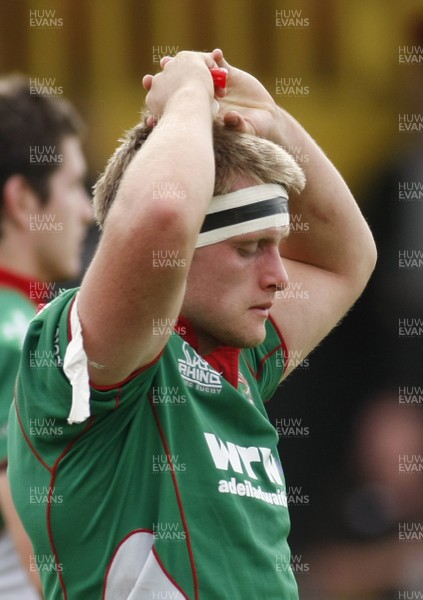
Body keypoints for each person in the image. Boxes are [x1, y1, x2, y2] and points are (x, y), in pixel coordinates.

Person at [7, 49, 376, 599]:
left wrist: (273, 121)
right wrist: (185, 93)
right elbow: (162, 215)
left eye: (276, 247)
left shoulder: (239, 358)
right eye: (251, 248)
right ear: (179, 255)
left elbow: (345, 259)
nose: (279, 276)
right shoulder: (87, 346)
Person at [0, 75, 93, 599]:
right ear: (22, 199)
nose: (89, 210)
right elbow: (41, 559)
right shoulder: (21, 339)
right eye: (75, 184)